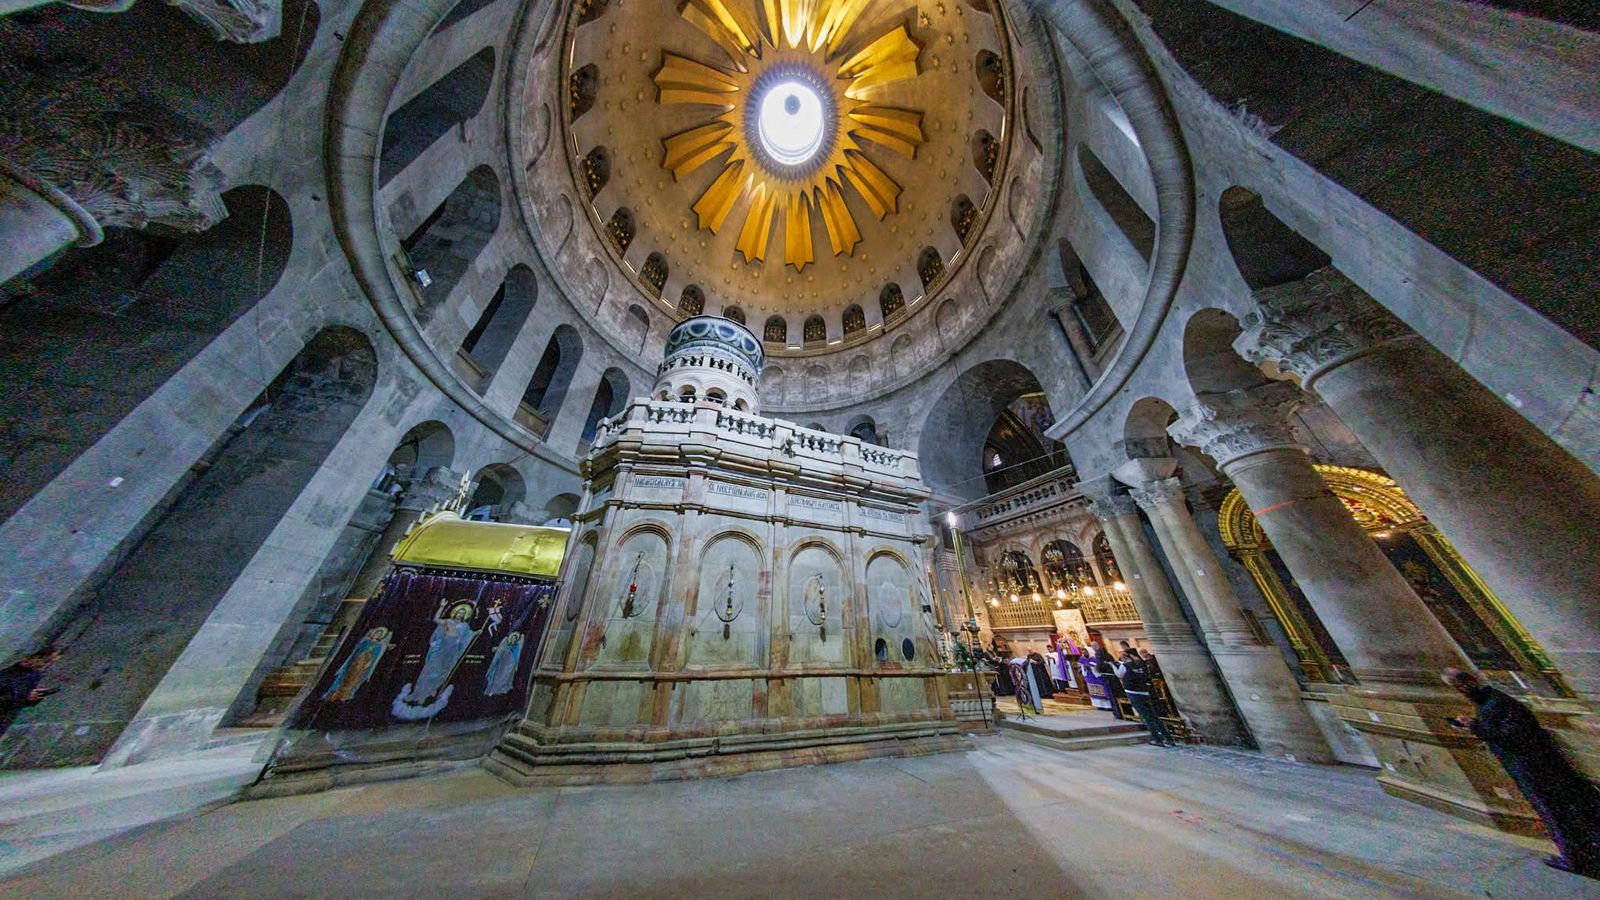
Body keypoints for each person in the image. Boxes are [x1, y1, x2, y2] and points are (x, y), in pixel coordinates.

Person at [1444, 668, 1600, 878]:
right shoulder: (1487, 703)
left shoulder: (1496, 702)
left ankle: (1577, 859)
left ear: (1471, 681)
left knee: (1555, 811)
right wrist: (1475, 725)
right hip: (1529, 766)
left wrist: (1476, 727)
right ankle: (1578, 856)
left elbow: (1517, 736)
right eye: (1456, 688)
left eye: (1460, 685)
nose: (1460, 691)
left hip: (1534, 767)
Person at [1116, 647, 1173, 747]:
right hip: (1145, 692)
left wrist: (1113, 666)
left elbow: (1119, 675)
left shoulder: (1126, 666)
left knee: (1146, 717)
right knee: (1153, 716)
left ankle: (1157, 738)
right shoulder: (1140, 664)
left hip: (1134, 693)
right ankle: (1167, 737)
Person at [0, 647, 61, 736]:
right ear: (33, 657)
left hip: (5, 720)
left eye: (50, 662)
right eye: (45, 661)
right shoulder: (8, 674)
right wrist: (25, 696)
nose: (46, 665)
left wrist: (33, 698)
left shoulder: (35, 675)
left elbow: (21, 701)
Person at [1093, 641, 1127, 720]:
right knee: (1119, 694)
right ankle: (1126, 712)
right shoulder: (1108, 655)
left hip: (1108, 678)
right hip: (1114, 677)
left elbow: (1100, 667)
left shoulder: (1099, 655)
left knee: (1113, 696)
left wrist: (1096, 669)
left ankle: (1118, 714)